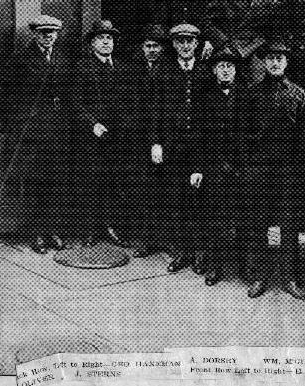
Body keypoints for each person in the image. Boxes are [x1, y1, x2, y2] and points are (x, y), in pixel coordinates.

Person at [244, 38, 305, 300]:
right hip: (260, 168)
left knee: (290, 224)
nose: (274, 62)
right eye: (270, 58)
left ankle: (291, 277)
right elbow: (244, 133)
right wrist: (248, 168)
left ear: (286, 62)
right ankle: (260, 275)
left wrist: (303, 173)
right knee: (259, 222)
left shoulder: (298, 94)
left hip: (289, 170)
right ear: (264, 62)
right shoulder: (252, 92)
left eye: (279, 58)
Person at [1, 15, 72, 254]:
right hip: (33, 132)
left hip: (58, 131)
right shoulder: (20, 58)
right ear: (35, 33)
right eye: (43, 33)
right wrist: (22, 124)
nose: (48, 37)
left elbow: (67, 93)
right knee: (34, 184)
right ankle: (37, 233)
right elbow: (9, 98)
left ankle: (53, 230)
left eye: (52, 33)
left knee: (55, 182)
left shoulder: (62, 57)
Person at [153, 24, 207, 274]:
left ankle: (200, 252)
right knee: (177, 201)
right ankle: (182, 251)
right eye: (180, 41)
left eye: (190, 41)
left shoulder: (206, 72)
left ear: (196, 44)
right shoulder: (163, 72)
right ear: (174, 44)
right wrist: (156, 142)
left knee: (198, 201)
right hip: (173, 146)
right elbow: (155, 110)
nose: (185, 46)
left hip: (198, 147)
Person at [190, 48, 246, 287]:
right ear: (213, 70)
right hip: (212, 165)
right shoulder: (204, 97)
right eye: (221, 66)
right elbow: (196, 136)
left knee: (240, 217)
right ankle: (215, 265)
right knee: (213, 217)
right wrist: (197, 168)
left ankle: (243, 265)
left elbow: (250, 135)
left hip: (238, 166)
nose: (225, 71)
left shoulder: (245, 96)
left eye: (230, 67)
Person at [72, 19, 127, 246]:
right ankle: (90, 229)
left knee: (113, 182)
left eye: (110, 38)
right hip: (91, 137)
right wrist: (92, 124)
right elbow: (75, 103)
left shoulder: (122, 67)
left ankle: (110, 226)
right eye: (101, 38)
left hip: (116, 136)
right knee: (92, 181)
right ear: (92, 43)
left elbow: (129, 102)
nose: (106, 42)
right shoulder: (82, 67)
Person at [123, 24, 166, 258]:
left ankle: (165, 238)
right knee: (143, 190)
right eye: (148, 46)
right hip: (138, 138)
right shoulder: (132, 70)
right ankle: (145, 239)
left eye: (156, 46)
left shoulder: (168, 70)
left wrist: (157, 141)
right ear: (142, 48)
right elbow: (127, 104)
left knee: (164, 189)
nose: (151, 50)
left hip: (162, 138)